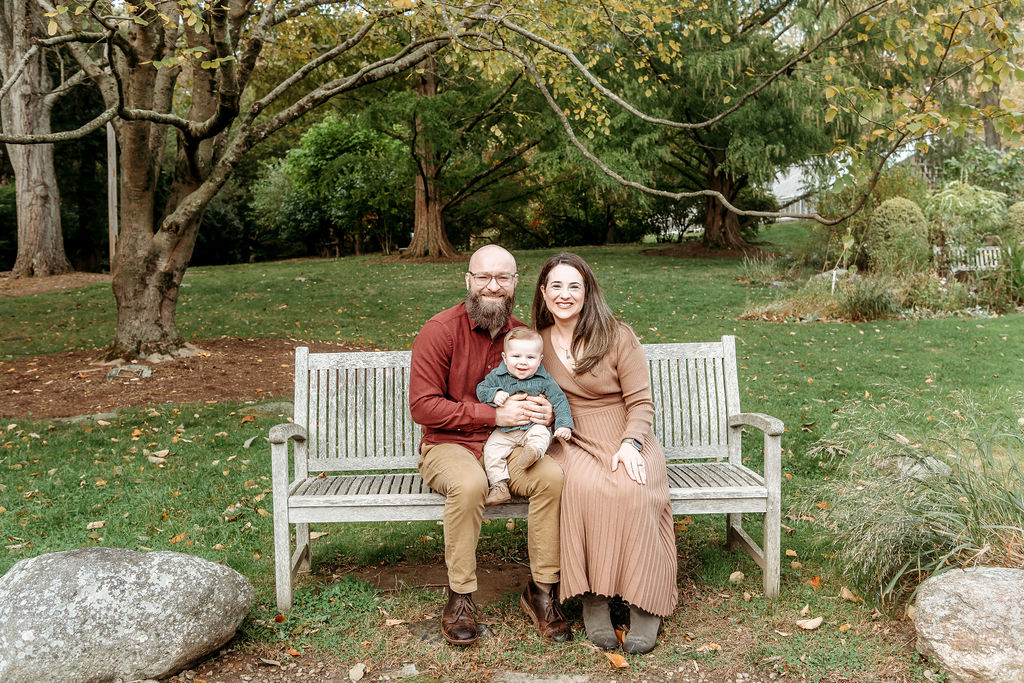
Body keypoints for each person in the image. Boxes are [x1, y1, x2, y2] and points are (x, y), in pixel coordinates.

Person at [409, 244, 572, 647]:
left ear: (515, 283)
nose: (492, 286)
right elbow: (423, 406)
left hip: (509, 445)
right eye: (483, 277)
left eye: (502, 278)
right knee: (469, 485)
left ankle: (542, 591)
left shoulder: (522, 336)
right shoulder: (440, 330)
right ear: (468, 280)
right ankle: (461, 597)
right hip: (450, 445)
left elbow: (547, 391)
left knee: (551, 477)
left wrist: (547, 413)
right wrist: (492, 415)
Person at [531, 252, 678, 654]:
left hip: (623, 430)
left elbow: (642, 403)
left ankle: (646, 602)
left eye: (573, 286)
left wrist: (632, 443)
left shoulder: (616, 335)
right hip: (572, 435)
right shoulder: (535, 341)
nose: (565, 294)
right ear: (543, 293)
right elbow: (524, 391)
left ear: (587, 291)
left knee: (632, 486)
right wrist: (540, 412)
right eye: (556, 286)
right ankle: (594, 597)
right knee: (583, 487)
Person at [476, 327, 574, 506]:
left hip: (531, 428)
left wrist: (564, 425)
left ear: (540, 359)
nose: (523, 363)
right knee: (491, 449)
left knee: (542, 434)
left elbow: (560, 401)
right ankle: (499, 485)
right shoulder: (497, 377)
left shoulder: (544, 380)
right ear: (505, 358)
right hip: (505, 431)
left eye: (530, 357)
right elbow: (481, 389)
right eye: (516, 357)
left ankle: (533, 452)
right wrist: (494, 394)